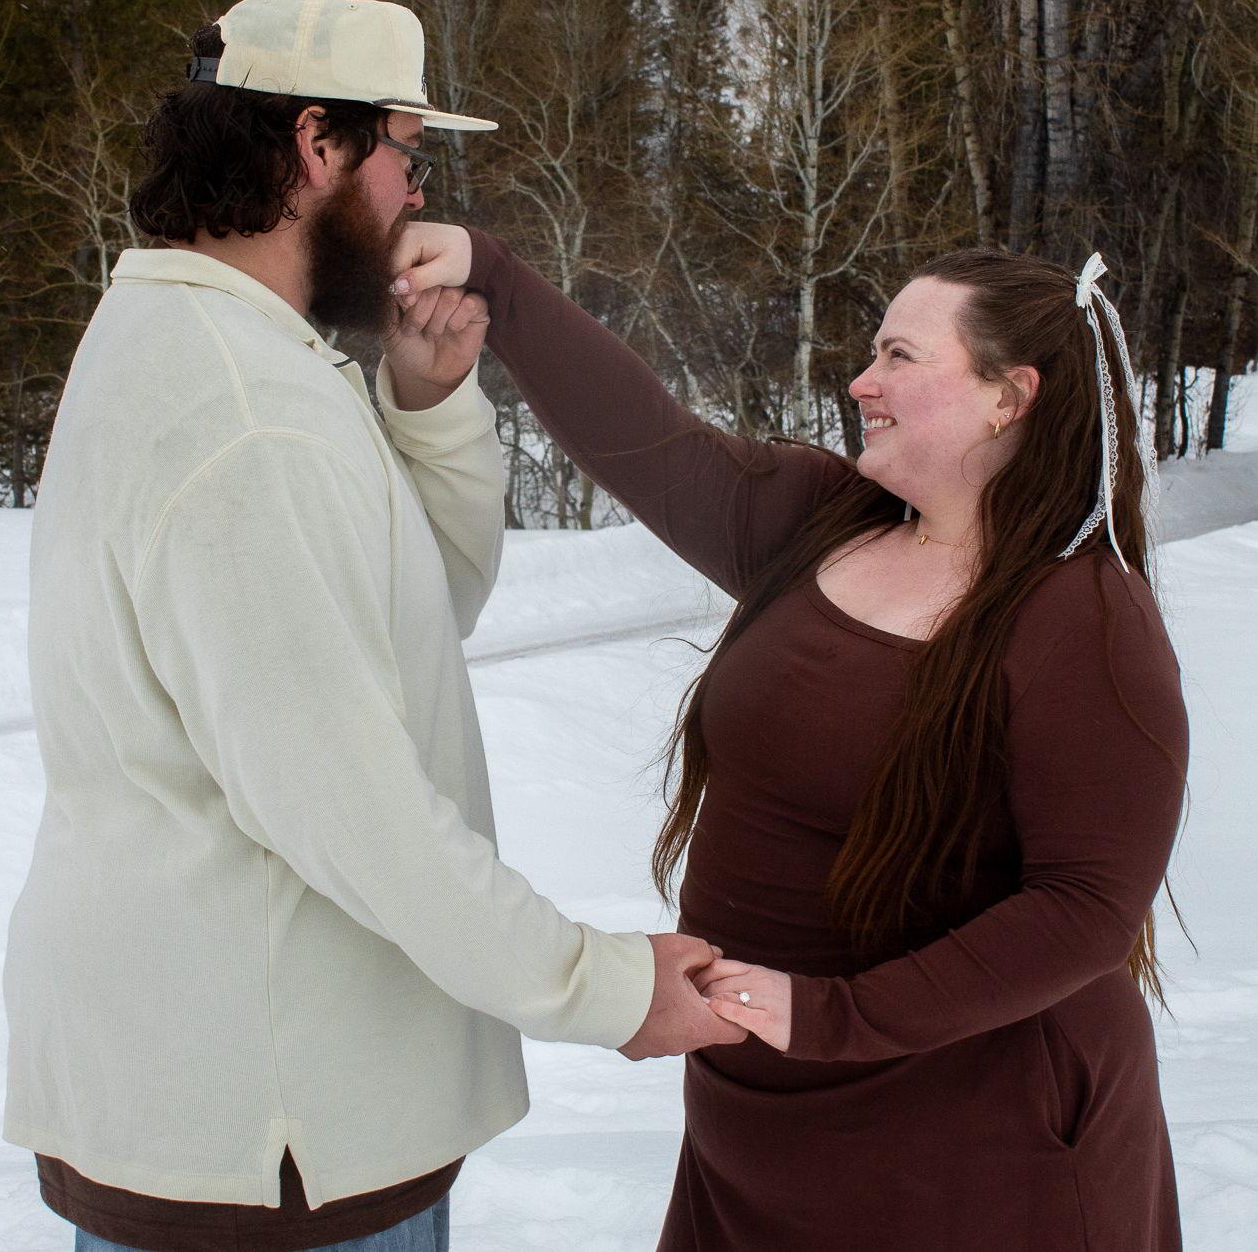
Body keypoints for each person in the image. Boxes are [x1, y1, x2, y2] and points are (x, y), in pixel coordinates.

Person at [2, 0, 742, 1252]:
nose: (415, 189)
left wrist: (430, 402)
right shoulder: (247, 417)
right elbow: (351, 809)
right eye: (403, 147)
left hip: (252, 1111)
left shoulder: (211, 341)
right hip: (276, 1139)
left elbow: (415, 618)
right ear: (315, 144)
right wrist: (609, 989)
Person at [390, 223, 1189, 1250]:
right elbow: (653, 445)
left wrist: (832, 1017)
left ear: (1010, 396)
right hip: (759, 1109)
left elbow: (1084, 908)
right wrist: (493, 275)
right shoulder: (829, 519)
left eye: (900, 355)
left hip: (976, 1133)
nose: (861, 381)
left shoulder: (1085, 616)